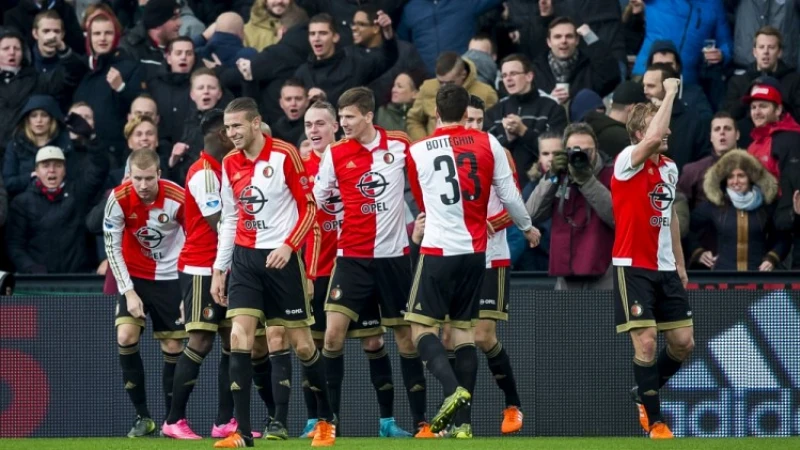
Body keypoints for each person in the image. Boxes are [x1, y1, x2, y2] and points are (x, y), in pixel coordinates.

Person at [405, 84, 539, 435]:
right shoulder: (489, 144)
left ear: (436, 113)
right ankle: (463, 425)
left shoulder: (417, 149)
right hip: (476, 252)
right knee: (462, 333)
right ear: (467, 115)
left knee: (423, 328)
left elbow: (421, 199)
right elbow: (511, 196)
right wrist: (527, 226)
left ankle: (457, 393)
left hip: (440, 250)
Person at [210, 97, 334, 448]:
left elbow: (309, 209)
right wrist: (220, 269)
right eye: (228, 127)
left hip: (283, 261)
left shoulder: (284, 154)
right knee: (239, 337)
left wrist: (289, 245)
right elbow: (230, 219)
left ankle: (326, 420)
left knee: (304, 344)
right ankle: (244, 434)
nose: (232, 133)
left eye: (237, 125)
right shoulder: (229, 162)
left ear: (255, 123)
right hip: (246, 262)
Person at [312, 87, 431, 438]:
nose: (343, 123)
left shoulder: (399, 144)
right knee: (331, 337)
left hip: (394, 258)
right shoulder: (334, 154)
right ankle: (328, 423)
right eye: (341, 117)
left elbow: (423, 184)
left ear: (367, 116)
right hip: (351, 259)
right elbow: (317, 200)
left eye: (349, 117)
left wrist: (425, 220)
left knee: (405, 339)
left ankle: (421, 423)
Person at [160, 109, 267, 440]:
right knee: (200, 339)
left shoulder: (222, 169)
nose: (236, 136)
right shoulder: (203, 173)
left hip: (226, 266)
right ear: (220, 135)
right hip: (201, 268)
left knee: (228, 341)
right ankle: (173, 420)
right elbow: (219, 223)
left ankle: (224, 421)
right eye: (231, 130)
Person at [300, 100, 402, 438]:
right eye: (308, 125)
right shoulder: (298, 167)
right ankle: (320, 420)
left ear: (334, 127)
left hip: (354, 262)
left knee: (373, 341)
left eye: (320, 124)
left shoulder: (355, 156)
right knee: (317, 343)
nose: (313, 131)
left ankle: (387, 421)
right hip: (316, 271)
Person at [610, 77, 695, 439]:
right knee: (645, 342)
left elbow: (670, 214)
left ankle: (643, 390)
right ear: (640, 133)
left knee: (683, 343)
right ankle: (656, 421)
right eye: (658, 125)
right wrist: (670, 92)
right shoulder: (626, 161)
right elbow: (649, 140)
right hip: (633, 267)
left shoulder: (670, 168)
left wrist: (679, 260)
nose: (667, 130)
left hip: (664, 267)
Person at [437, 95, 525, 436]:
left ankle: (513, 404)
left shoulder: (497, 152)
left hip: (491, 256)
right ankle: (460, 420)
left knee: (483, 336)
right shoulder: (441, 152)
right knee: (449, 337)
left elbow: (513, 201)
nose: (472, 126)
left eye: (477, 120)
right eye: (467, 119)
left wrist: (491, 221)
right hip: (454, 255)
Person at [103, 149, 187, 438]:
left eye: (148, 178)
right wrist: (128, 292)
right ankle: (142, 417)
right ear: (130, 175)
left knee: (173, 348)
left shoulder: (178, 198)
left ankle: (171, 421)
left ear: (159, 175)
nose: (142, 185)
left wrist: (189, 289)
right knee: (125, 336)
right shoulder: (118, 198)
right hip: (134, 277)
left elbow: (196, 240)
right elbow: (112, 247)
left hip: (171, 277)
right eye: (137, 178)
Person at [526, 123, 615, 289]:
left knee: (604, 315)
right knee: (565, 315)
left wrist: (587, 181)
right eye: (573, 150)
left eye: (587, 151)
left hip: (604, 272)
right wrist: (551, 177)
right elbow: (530, 214)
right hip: (565, 272)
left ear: (597, 150)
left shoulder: (611, 174)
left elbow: (618, 218)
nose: (580, 155)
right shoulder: (558, 175)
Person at [6, 145, 105, 273]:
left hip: (78, 278)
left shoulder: (78, 193)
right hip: (38, 282)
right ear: (36, 170)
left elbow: (99, 169)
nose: (52, 170)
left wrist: (92, 142)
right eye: (45, 166)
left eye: (58, 165)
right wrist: (30, 268)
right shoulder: (22, 202)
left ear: (64, 170)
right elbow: (14, 244)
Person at [689, 150, 789, 271]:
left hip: (759, 277)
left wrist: (772, 258)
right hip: (724, 278)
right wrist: (698, 252)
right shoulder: (716, 204)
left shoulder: (766, 205)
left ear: (751, 178)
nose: (735, 181)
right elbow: (687, 229)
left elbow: (783, 236)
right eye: (730, 177)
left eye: (741, 176)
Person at [485, 53, 567, 174]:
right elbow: (487, 153)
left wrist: (523, 131)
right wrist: (508, 139)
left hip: (542, 181)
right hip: (505, 183)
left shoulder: (552, 108)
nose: (508, 79)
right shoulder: (495, 111)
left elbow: (556, 151)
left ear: (529, 76)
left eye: (513, 74)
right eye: (504, 75)